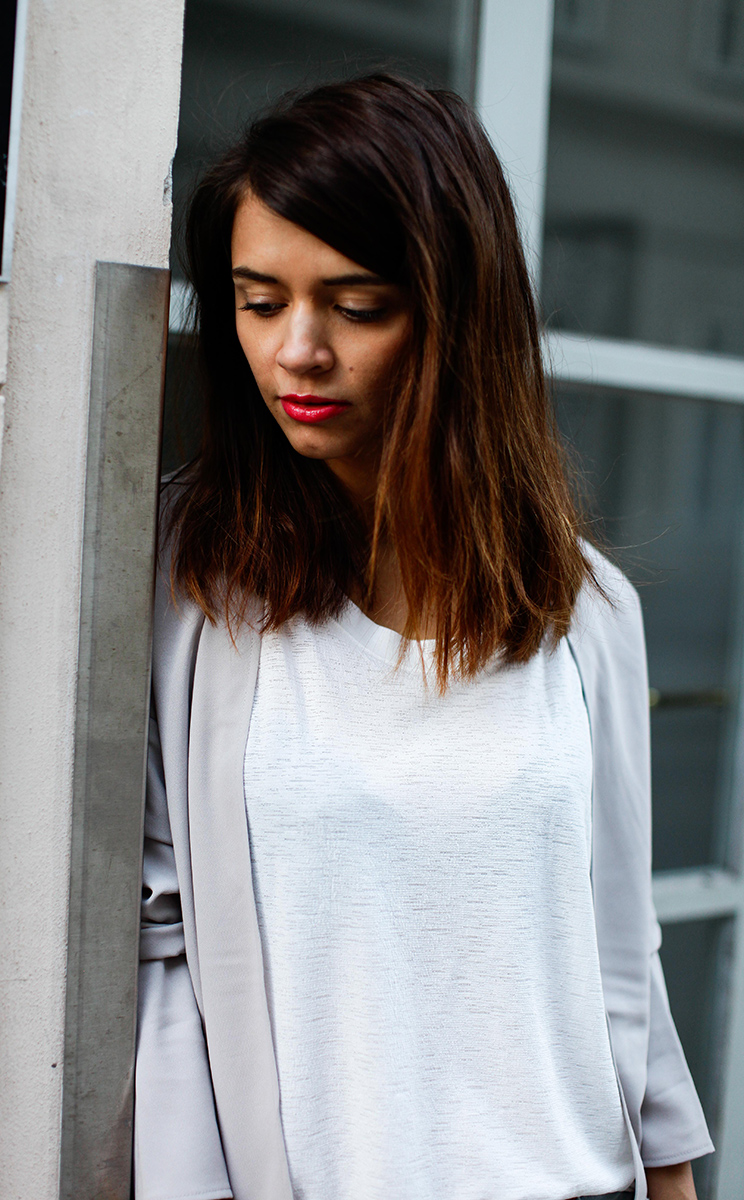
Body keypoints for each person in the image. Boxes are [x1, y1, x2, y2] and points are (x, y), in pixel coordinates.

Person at [134, 75, 713, 1200]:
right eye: (259, 302)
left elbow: (615, 942)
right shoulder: (182, 585)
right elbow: (160, 959)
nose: (296, 351)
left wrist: (673, 1173)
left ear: (457, 316)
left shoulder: (586, 610)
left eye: (355, 306)